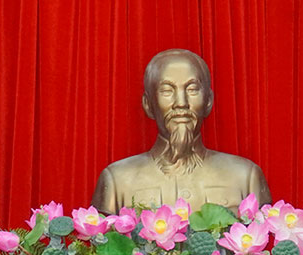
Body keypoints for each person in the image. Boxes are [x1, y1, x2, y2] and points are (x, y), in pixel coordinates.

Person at [92, 48, 272, 214]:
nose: (181, 102)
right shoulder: (117, 181)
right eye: (167, 90)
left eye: (192, 89)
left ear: (208, 101)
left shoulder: (245, 177)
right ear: (148, 105)